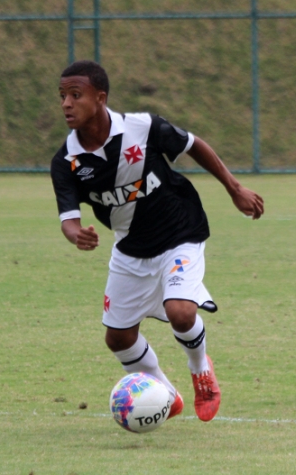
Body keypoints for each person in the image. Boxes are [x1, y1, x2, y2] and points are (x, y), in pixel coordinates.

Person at [51, 60, 264, 422]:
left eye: (75, 95)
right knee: (118, 338)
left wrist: (235, 188)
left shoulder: (142, 127)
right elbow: (68, 219)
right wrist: (77, 235)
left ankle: (201, 371)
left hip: (181, 232)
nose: (66, 104)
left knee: (181, 311)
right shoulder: (67, 161)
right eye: (62, 96)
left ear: (100, 98)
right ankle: (165, 393)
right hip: (131, 248)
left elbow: (194, 145)